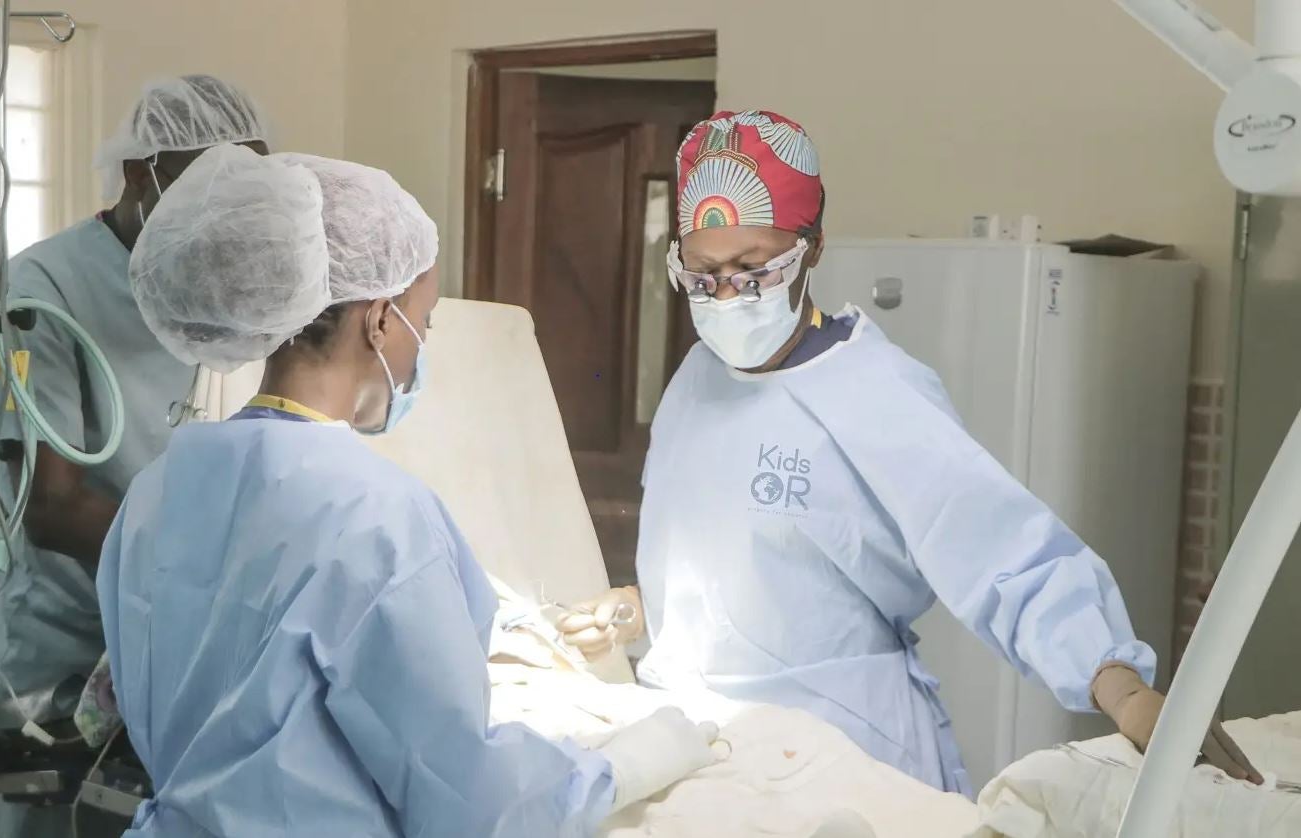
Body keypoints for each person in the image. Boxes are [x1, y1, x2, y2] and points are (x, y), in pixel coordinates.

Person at [556, 110, 1260, 795]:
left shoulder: (872, 391)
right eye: (703, 277)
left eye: (751, 270)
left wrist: (1124, 691)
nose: (726, 298)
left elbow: (999, 552)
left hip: (837, 753)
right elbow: (734, 560)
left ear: (813, 248)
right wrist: (640, 608)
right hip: (700, 747)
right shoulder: (696, 381)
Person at [98, 144, 718, 836]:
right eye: (425, 322)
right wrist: (628, 765)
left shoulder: (158, 489)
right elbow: (467, 800)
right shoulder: (376, 514)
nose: (421, 343)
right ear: (378, 319)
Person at [0, 74, 268, 837]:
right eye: (203, 189)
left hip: (179, 634)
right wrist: (194, 571)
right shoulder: (49, 285)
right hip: (68, 639)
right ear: (141, 173)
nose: (218, 219)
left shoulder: (226, 281)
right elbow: (48, 504)